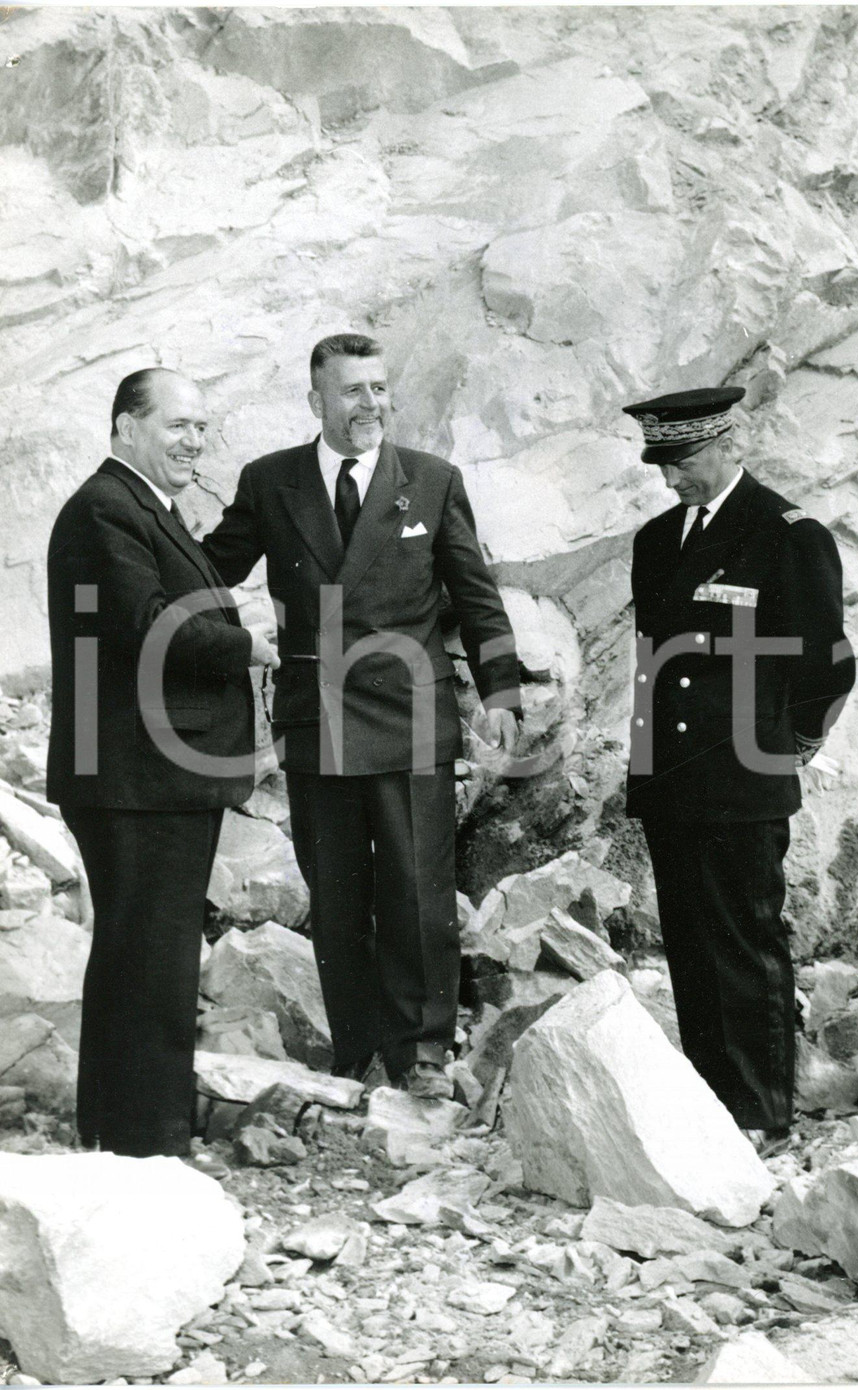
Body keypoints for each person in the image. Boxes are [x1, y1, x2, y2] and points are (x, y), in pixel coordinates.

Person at [201, 333, 520, 1099]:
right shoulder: (270, 482)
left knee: (417, 889)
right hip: (315, 717)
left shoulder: (432, 481)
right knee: (338, 894)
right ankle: (357, 1050)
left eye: (380, 388)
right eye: (352, 391)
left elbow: (475, 594)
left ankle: (424, 1052)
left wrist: (503, 689)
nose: (371, 404)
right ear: (317, 401)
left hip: (410, 710)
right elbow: (208, 572)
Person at [47, 367, 278, 1161]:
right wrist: (246, 645)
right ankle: (148, 1147)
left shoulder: (143, 507)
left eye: (202, 428)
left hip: (146, 775)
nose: (194, 441)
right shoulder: (107, 509)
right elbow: (146, 626)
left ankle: (118, 1132)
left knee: (138, 955)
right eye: (177, 425)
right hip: (137, 777)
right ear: (124, 429)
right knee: (152, 962)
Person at [622, 386, 855, 1153]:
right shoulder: (656, 541)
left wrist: (785, 749)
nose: (671, 480)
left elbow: (827, 666)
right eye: (663, 465)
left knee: (745, 943)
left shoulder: (787, 535)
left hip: (741, 780)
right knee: (689, 942)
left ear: (729, 445)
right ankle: (713, 1106)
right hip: (672, 780)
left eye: (683, 462)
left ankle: (759, 1111)